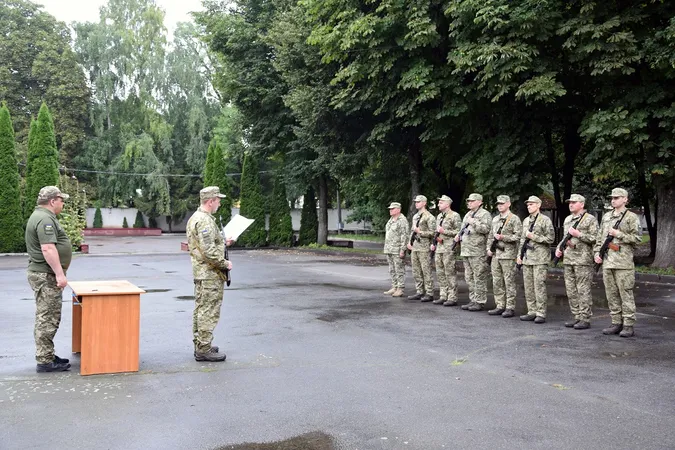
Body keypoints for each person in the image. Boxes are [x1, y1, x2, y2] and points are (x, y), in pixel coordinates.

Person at [25, 186, 72, 373]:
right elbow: (48, 249)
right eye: (61, 200)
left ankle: (48, 354)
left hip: (44, 274)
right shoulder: (45, 218)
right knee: (47, 318)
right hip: (46, 275)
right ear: (53, 201)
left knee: (48, 316)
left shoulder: (42, 216)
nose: (62, 203)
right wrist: (60, 274)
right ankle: (44, 360)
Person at [186, 186, 233, 362]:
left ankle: (201, 344)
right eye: (218, 200)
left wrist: (223, 242)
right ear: (210, 201)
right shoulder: (204, 220)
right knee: (208, 310)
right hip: (209, 274)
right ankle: (204, 349)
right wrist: (225, 263)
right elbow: (209, 251)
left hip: (202, 274)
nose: (220, 203)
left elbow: (207, 244)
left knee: (201, 309)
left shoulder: (197, 218)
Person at [594, 188, 641, 338]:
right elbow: (600, 237)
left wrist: (618, 234)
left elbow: (638, 239)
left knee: (625, 293)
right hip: (608, 262)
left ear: (625, 199)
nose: (613, 200)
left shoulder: (631, 217)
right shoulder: (607, 216)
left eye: (617, 198)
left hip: (623, 263)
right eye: (612, 198)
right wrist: (597, 253)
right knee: (611, 294)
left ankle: (628, 324)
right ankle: (616, 322)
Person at [555, 194, 598, 330]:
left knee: (583, 289)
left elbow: (595, 238)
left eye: (574, 202)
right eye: (570, 202)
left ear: (582, 204)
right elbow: (564, 237)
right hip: (568, 259)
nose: (571, 204)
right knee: (571, 290)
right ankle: (577, 316)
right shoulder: (568, 219)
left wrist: (578, 234)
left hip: (583, 260)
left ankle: (585, 318)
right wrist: (559, 247)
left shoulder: (590, 219)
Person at [517, 196, 555, 323]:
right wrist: (519, 255)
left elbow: (550, 239)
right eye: (528, 205)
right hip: (528, 258)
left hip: (540, 258)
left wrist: (533, 236)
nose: (529, 206)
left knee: (539, 286)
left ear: (538, 205)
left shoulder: (545, 220)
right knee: (528, 287)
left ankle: (541, 313)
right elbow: (522, 240)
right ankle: (531, 311)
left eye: (531, 204)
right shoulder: (526, 220)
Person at [486, 195, 522, 317]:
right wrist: (488, 249)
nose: (499, 205)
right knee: (496, 281)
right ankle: (500, 305)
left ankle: (510, 307)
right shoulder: (495, 219)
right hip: (496, 254)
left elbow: (518, 236)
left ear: (508, 204)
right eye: (498, 204)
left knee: (509, 281)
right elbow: (491, 235)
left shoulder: (514, 219)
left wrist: (503, 237)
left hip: (508, 255)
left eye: (502, 203)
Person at [455, 193, 492, 311]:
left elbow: (486, 229)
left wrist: (474, 222)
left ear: (479, 202)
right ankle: (473, 299)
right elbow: (462, 229)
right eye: (468, 201)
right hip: (466, 250)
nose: (469, 203)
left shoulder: (484, 214)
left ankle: (480, 301)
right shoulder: (468, 214)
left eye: (472, 201)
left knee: (479, 276)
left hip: (478, 251)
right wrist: (458, 236)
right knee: (469, 277)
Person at [430, 195, 462, 306]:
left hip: (449, 248)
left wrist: (444, 231)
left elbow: (458, 232)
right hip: (439, 247)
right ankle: (443, 295)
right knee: (440, 273)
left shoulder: (454, 216)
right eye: (439, 203)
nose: (438, 204)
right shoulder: (439, 216)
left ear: (447, 204)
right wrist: (434, 243)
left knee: (449, 272)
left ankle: (452, 297)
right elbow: (437, 231)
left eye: (441, 202)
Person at [406, 195, 436, 302]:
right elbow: (412, 231)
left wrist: (420, 232)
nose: (416, 203)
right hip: (415, 246)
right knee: (416, 270)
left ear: (424, 203)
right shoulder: (415, 216)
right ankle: (419, 291)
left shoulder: (429, 217)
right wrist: (409, 242)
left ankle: (429, 292)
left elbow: (433, 233)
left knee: (426, 270)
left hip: (424, 247)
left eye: (418, 202)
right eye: (415, 202)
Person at [383, 202, 409, 298]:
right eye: (390, 209)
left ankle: (400, 288)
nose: (390, 210)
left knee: (399, 269)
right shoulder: (391, 220)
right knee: (392, 269)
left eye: (393, 209)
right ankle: (394, 286)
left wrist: (403, 249)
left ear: (398, 209)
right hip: (389, 248)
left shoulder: (402, 220)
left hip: (397, 249)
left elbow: (404, 235)